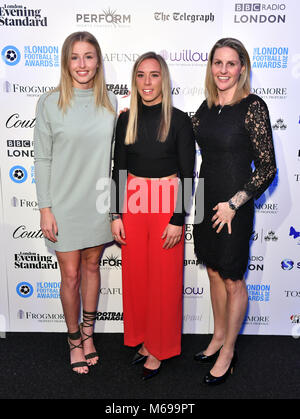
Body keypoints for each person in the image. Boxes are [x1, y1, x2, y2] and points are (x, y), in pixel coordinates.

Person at [192, 38, 277, 385]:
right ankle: (217, 336)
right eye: (217, 63)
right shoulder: (207, 107)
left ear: (242, 68)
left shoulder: (253, 106)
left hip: (233, 204)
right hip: (203, 198)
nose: (223, 70)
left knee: (232, 277)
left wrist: (234, 203)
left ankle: (229, 350)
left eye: (230, 63)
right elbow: (181, 133)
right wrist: (137, 114)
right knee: (213, 271)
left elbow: (267, 167)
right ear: (210, 67)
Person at [34, 31, 117, 375]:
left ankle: (88, 335)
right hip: (64, 205)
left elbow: (117, 156)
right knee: (69, 275)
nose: (82, 64)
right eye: (75, 57)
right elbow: (42, 159)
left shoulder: (110, 102)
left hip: (98, 202)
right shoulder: (49, 102)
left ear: (98, 62)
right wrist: (45, 208)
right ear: (66, 63)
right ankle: (72, 341)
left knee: (92, 268)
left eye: (88, 56)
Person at [111, 51, 195, 380]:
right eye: (141, 75)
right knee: (136, 278)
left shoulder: (180, 119)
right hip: (132, 199)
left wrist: (178, 218)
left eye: (154, 75)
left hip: (165, 200)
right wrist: (115, 213)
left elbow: (188, 172)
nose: (147, 82)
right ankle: (144, 340)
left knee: (165, 279)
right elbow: (118, 167)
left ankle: (160, 348)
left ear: (164, 79)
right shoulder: (125, 119)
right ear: (135, 80)